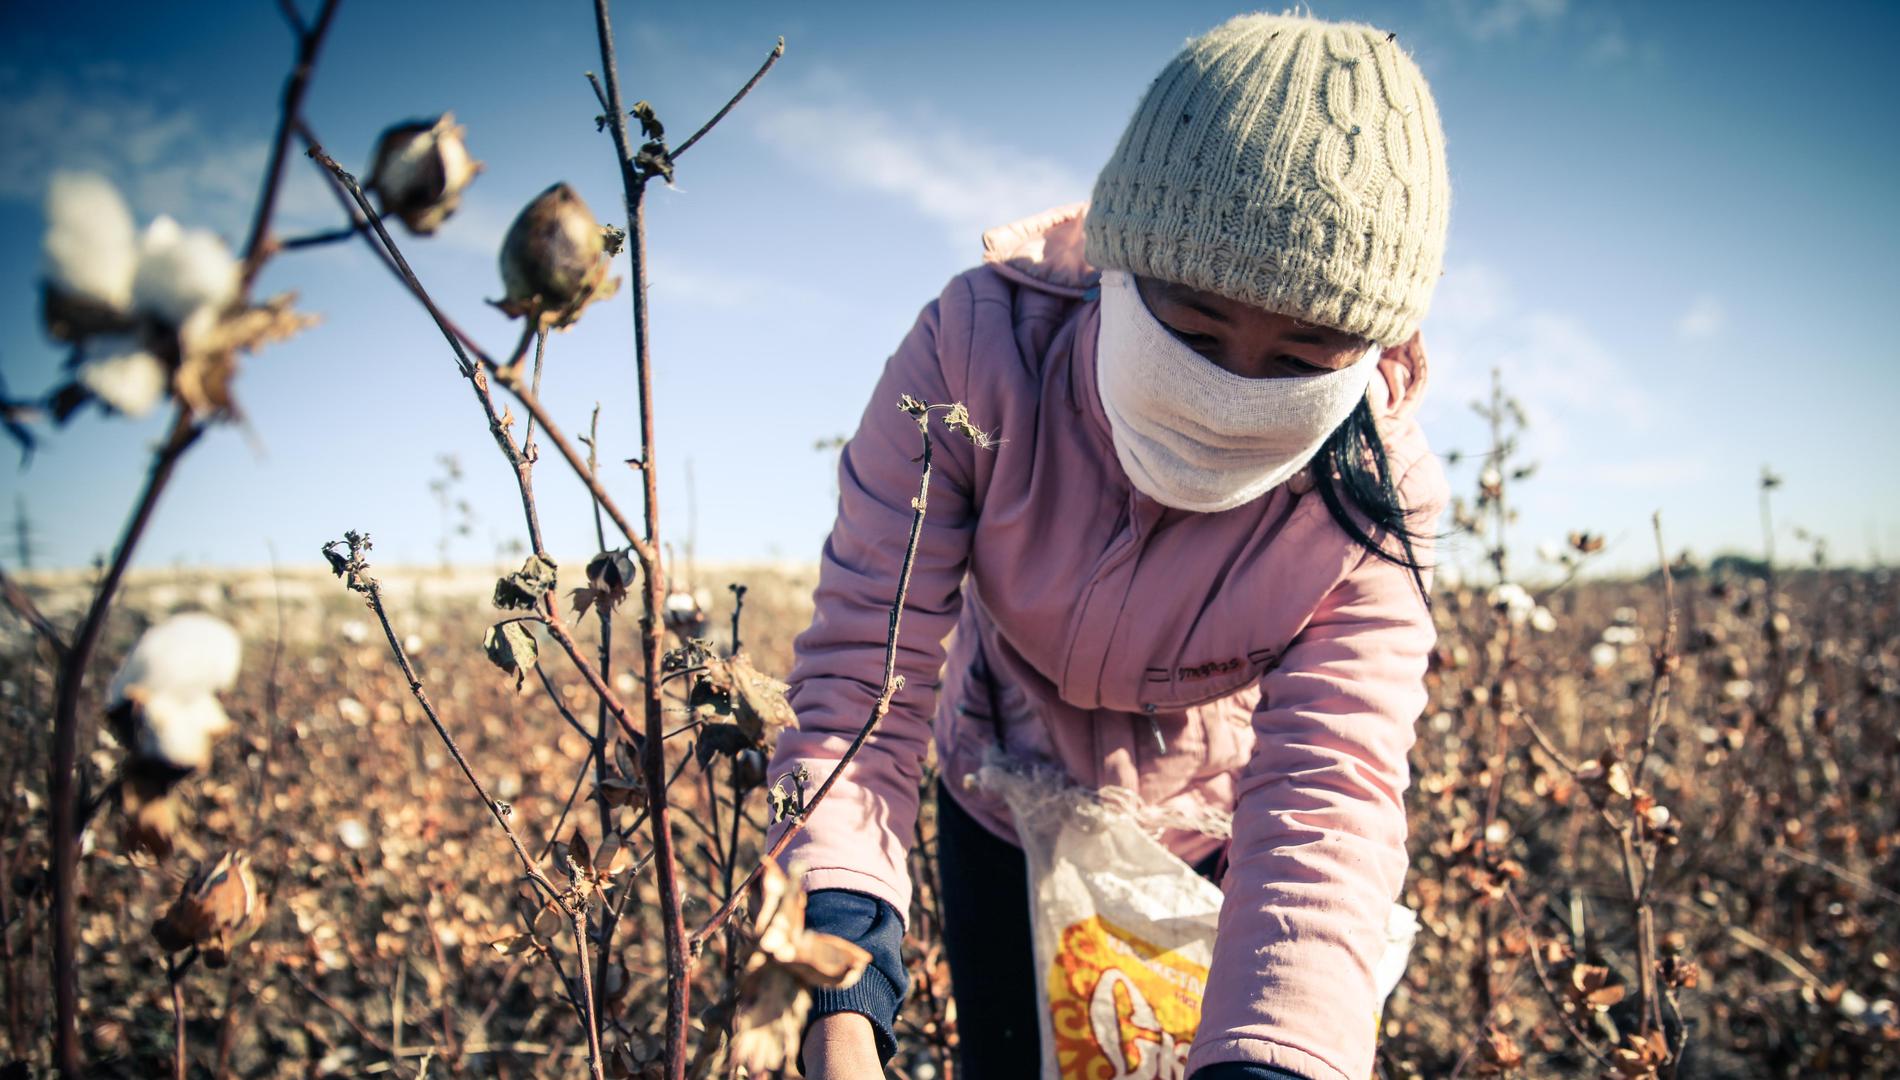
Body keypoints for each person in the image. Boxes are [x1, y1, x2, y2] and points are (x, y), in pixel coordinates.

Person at [774, 10, 1452, 1079]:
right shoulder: (975, 356)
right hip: (997, 797)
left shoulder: (1372, 496)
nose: (1229, 391)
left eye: (1298, 360)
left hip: (1219, 845)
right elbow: (861, 686)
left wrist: (1275, 1059)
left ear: (1365, 357)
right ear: (1116, 267)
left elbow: (1329, 796)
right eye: (1192, 332)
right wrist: (835, 985)